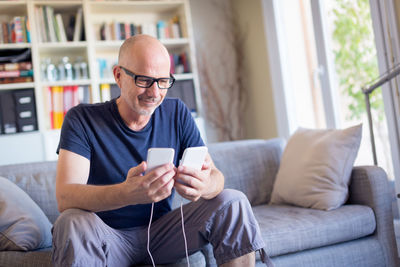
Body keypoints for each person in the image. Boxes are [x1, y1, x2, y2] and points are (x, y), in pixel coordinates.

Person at [52, 34, 271, 267]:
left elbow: (217, 178)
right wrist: (126, 193)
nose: (155, 92)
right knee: (71, 221)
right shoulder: (82, 119)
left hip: (162, 235)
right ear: (118, 75)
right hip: (106, 237)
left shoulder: (176, 112)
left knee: (233, 200)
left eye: (163, 81)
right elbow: (65, 197)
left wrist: (203, 185)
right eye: (144, 80)